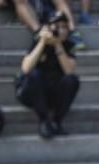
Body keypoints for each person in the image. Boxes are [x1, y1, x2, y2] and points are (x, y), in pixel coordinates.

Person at [16, 11, 79, 139]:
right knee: (34, 74)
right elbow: (26, 68)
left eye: (64, 27)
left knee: (72, 80)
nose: (61, 30)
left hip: (53, 91)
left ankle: (57, 121)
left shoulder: (68, 46)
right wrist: (42, 42)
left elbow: (69, 71)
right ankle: (44, 121)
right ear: (49, 27)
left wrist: (58, 45)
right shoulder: (38, 42)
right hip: (33, 91)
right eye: (57, 26)